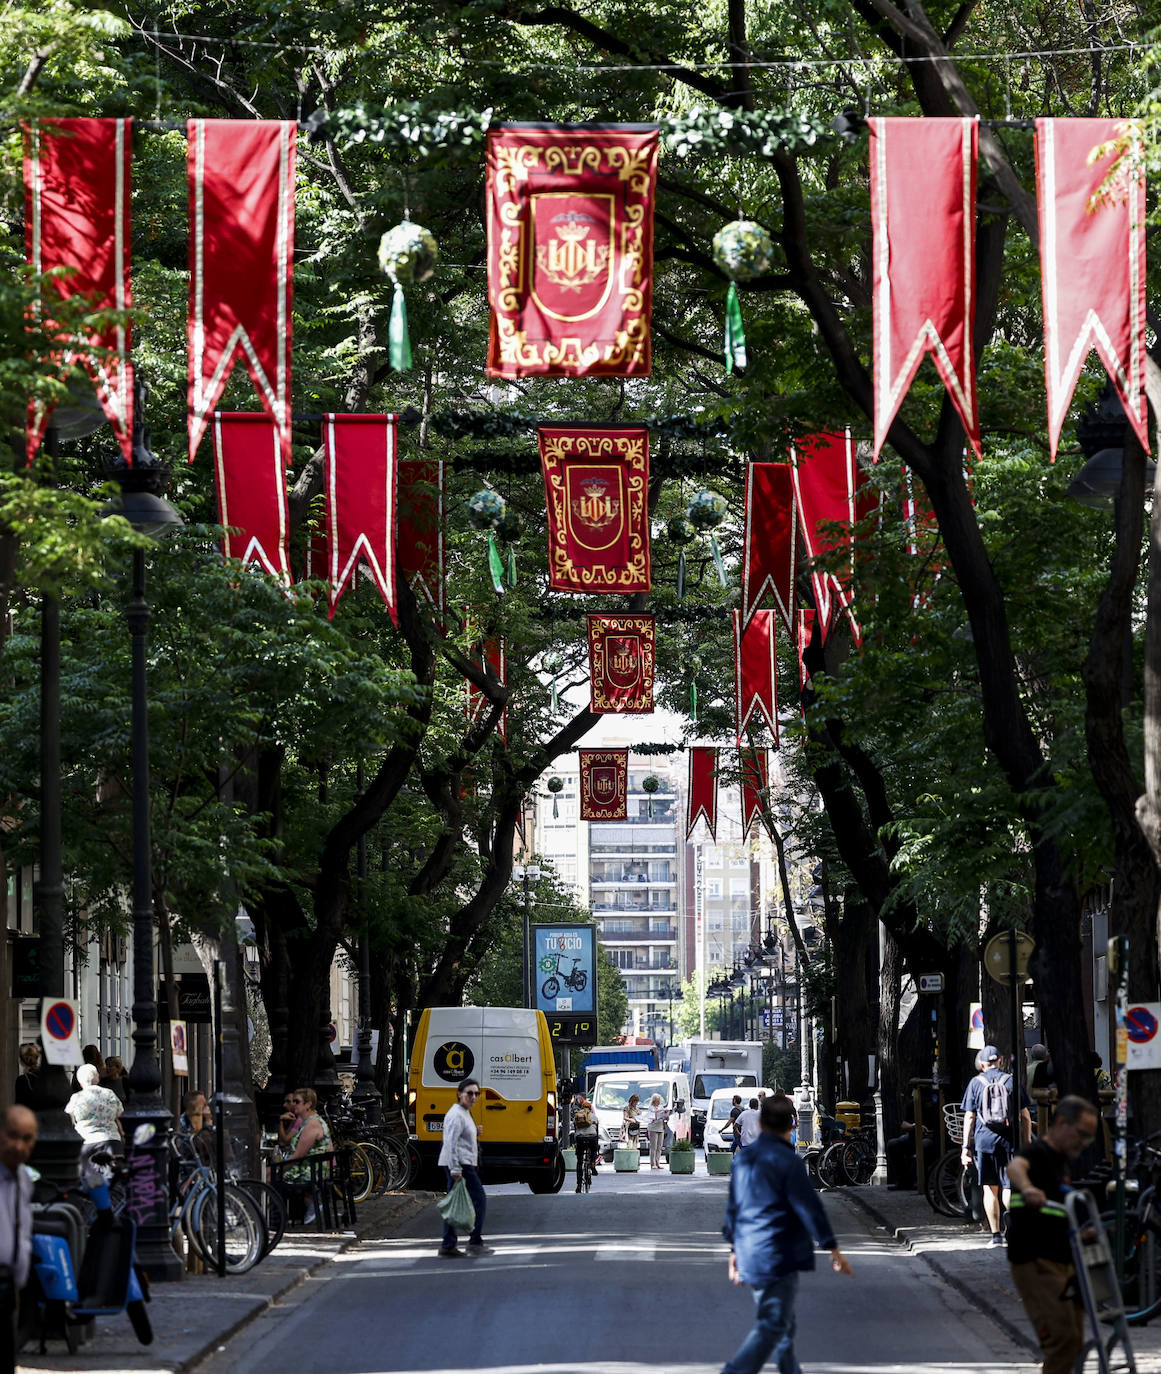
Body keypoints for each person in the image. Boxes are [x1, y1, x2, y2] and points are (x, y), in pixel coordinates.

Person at [720, 1095, 852, 1374]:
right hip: (779, 1252)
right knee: (774, 1323)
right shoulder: (789, 1162)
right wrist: (832, 1248)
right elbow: (809, 1207)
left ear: (763, 1123)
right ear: (791, 1126)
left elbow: (735, 1209)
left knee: (782, 1321)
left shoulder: (743, 1161)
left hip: (750, 1252)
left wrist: (734, 1250)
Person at [1007, 1095, 1100, 1374]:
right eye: (1081, 1134)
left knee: (1074, 1339)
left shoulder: (1062, 1163)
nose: (1084, 1143)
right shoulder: (1038, 1153)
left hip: (1063, 1261)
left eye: (1089, 1138)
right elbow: (1015, 1167)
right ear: (1061, 1123)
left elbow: (1059, 1214)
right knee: (1062, 1338)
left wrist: (1082, 1236)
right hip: (1035, 1260)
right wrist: (1028, 1188)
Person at [960, 1045, 1032, 1248]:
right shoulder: (1011, 1081)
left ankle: (996, 1236)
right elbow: (1025, 1116)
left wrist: (966, 1147)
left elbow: (970, 1116)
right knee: (1009, 1186)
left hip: (984, 1141)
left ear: (982, 1064)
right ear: (1001, 1060)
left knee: (989, 1189)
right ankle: (1012, 1219)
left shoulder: (975, 1083)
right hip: (1009, 1140)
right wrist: (1026, 1141)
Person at [0, 1107, 37, 1374]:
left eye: (27, 1138)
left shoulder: (24, 1178)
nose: (19, 1145)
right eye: (13, 1136)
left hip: (9, 1285)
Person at [437, 1077, 491, 1258]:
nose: (474, 1097)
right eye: (470, 1093)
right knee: (479, 1199)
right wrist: (455, 1168)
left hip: (462, 1163)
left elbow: (460, 1136)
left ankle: (448, 1244)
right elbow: (451, 1142)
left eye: (477, 1093)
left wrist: (474, 1131)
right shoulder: (456, 1114)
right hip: (460, 1164)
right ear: (460, 1094)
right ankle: (474, 1242)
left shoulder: (464, 1112)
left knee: (455, 1204)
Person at [277, 1088, 333, 1225]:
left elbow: (298, 1155)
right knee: (269, 1173)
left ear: (308, 1104)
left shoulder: (312, 1124)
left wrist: (278, 1169)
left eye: (297, 1101)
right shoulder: (306, 1122)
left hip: (310, 1171)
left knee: (268, 1176)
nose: (294, 1104)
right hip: (309, 1168)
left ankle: (274, 1220)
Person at [64, 1063, 123, 1186]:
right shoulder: (110, 1094)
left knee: (86, 1177)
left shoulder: (77, 1097)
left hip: (86, 1140)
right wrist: (122, 1135)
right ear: (97, 1078)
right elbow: (120, 1115)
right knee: (114, 1178)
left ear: (80, 1082)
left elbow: (68, 1119)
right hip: (111, 1139)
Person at [573, 1093, 600, 1191]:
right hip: (591, 1137)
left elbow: (575, 1128)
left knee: (579, 1162)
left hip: (580, 1138)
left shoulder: (577, 1115)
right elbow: (597, 1130)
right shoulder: (594, 1117)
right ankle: (592, 1162)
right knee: (594, 1148)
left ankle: (579, 1185)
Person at [645, 1093, 669, 1170]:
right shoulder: (651, 1108)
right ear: (654, 1101)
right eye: (657, 1101)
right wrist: (661, 1111)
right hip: (653, 1128)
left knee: (659, 1147)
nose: (658, 1102)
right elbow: (654, 1114)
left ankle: (658, 1162)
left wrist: (666, 1116)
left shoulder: (661, 1107)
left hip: (660, 1127)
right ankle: (653, 1163)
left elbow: (664, 1116)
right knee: (653, 1147)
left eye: (659, 1101)